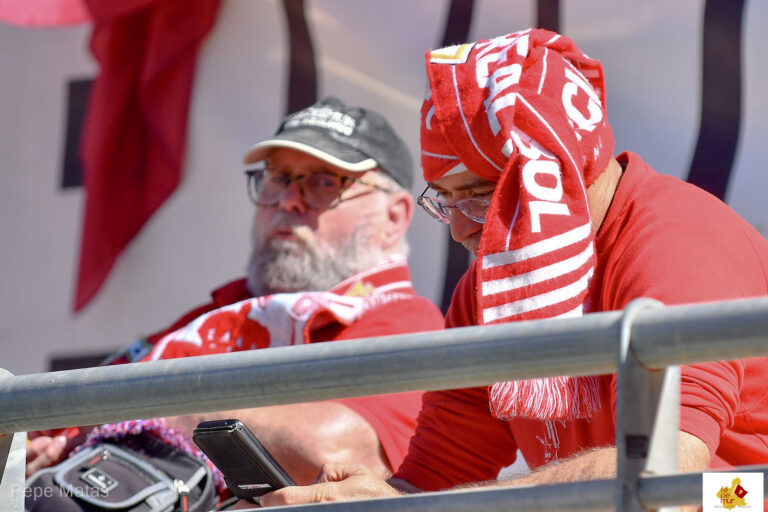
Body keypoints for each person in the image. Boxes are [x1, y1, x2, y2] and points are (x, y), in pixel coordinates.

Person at [260, 29, 768, 507]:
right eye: (445, 199)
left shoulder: (679, 242)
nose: (459, 230)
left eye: (482, 196)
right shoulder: (493, 281)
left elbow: (662, 477)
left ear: (556, 170)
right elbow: (433, 481)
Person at [24, 97, 445, 492]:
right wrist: (49, 448)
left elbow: (333, 455)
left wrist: (149, 414)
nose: (288, 200)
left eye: (323, 182)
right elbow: (56, 428)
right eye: (278, 178)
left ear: (394, 217)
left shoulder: (405, 321)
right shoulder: (222, 312)